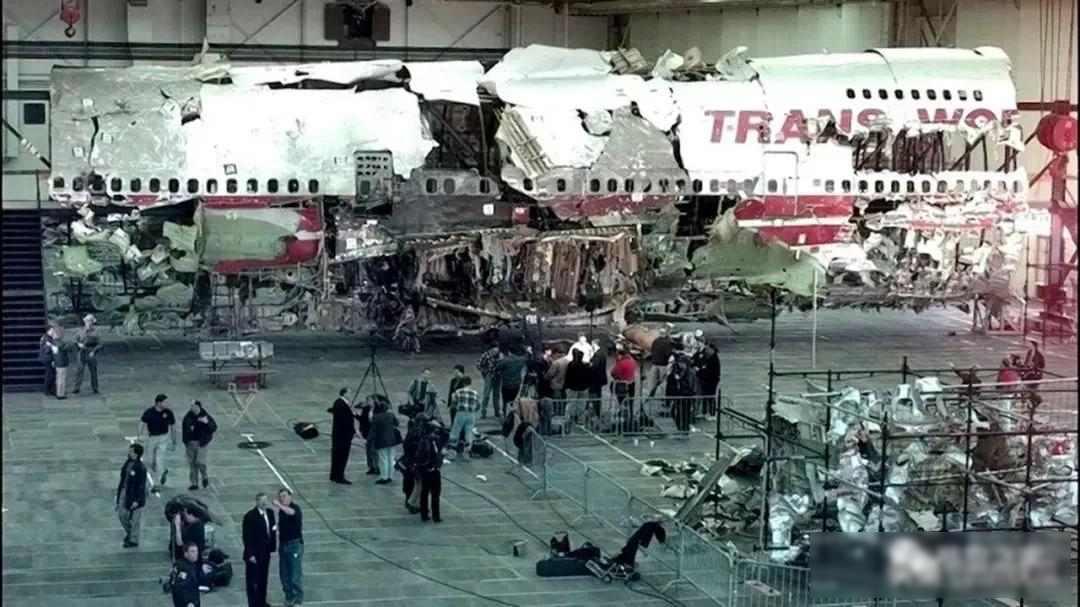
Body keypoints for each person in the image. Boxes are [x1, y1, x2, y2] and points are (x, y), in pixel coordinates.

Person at [242, 493, 277, 607]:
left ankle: (262, 602)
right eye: (262, 500)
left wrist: (272, 547)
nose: (264, 503)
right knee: (253, 581)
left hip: (265, 552)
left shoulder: (270, 513)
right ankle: (253, 604)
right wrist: (250, 554)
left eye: (265, 500)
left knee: (263, 578)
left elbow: (272, 529)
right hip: (254, 554)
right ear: (257, 502)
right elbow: (247, 537)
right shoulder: (250, 516)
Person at [139, 393, 177, 493]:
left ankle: (157, 484)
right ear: (159, 403)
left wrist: (174, 441)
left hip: (163, 438)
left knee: (159, 459)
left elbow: (173, 426)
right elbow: (142, 422)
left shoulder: (168, 412)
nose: (167, 404)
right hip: (152, 438)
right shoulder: (149, 412)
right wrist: (139, 435)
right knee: (150, 461)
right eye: (165, 402)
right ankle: (163, 471)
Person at [274, 488, 304, 607]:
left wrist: (279, 505)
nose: (282, 499)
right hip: (283, 545)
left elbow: (291, 513)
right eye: (281, 497)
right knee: (284, 574)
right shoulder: (282, 512)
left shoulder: (295, 508)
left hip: (294, 546)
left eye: (284, 496)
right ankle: (289, 596)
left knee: (294, 574)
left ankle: (297, 599)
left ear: (290, 497)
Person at [116, 443, 148, 548]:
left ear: (136, 454)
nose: (129, 452)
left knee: (135, 520)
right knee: (122, 515)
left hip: (135, 495)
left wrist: (137, 500)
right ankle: (130, 533)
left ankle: (134, 539)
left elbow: (141, 486)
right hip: (125, 491)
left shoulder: (141, 468)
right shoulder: (127, 463)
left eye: (131, 451)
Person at [182, 400, 217, 491]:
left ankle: (204, 475)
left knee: (200, 462)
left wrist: (206, 422)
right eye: (191, 406)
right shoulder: (188, 416)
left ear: (198, 407)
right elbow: (185, 428)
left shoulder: (205, 416)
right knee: (192, 464)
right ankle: (194, 483)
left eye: (193, 406)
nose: (192, 408)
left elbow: (213, 427)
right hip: (190, 443)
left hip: (201, 443)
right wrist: (186, 441)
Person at [416, 419, 444, 523]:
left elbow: (445, 434)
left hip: (434, 469)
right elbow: (421, 457)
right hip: (427, 470)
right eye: (434, 431)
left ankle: (435, 515)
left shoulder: (435, 441)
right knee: (426, 493)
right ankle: (426, 514)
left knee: (434, 494)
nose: (436, 434)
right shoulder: (425, 442)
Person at [328, 388, 356, 484]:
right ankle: (339, 476)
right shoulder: (341, 404)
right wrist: (352, 430)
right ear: (344, 393)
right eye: (349, 392)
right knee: (342, 456)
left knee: (336, 455)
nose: (350, 394)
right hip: (342, 435)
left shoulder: (339, 402)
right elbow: (345, 420)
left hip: (339, 435)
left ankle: (334, 475)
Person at [370, 400, 401, 484]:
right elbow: (397, 423)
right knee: (391, 458)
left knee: (383, 459)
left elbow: (373, 430)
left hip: (381, 441)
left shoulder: (376, 417)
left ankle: (384, 477)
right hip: (392, 440)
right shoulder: (391, 415)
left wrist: (370, 440)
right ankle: (390, 476)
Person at [400, 414, 427, 513]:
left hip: (409, 461)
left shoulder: (411, 431)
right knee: (419, 483)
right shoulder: (421, 434)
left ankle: (412, 502)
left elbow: (406, 446)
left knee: (411, 482)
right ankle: (413, 503)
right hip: (416, 462)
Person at [170, 542, 210, 607]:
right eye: (192, 551)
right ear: (186, 554)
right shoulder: (184, 568)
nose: (196, 553)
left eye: (196, 551)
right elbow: (180, 586)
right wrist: (189, 602)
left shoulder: (188, 564)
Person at [666, 350, 696, 435]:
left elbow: (689, 385)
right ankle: (681, 429)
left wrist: (679, 380)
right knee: (676, 413)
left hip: (686, 396)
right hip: (680, 395)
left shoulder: (690, 373)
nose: (679, 364)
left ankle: (684, 430)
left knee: (684, 414)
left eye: (681, 363)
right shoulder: (681, 371)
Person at [448, 376, 479, 455]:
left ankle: (452, 452)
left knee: (455, 432)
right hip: (471, 415)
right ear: (470, 383)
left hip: (461, 413)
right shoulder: (475, 393)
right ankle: (467, 452)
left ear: (463, 383)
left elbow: (453, 405)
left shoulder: (458, 392)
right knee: (468, 433)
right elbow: (478, 406)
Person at [73, 313, 101, 395]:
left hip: (91, 352)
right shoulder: (80, 331)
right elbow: (75, 340)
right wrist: (78, 344)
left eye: (90, 321)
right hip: (81, 352)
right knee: (79, 370)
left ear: (92, 322)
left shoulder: (96, 332)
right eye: (87, 321)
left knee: (93, 371)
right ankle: (76, 388)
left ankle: (95, 388)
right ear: (85, 322)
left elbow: (100, 344)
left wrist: (94, 351)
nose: (88, 323)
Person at [495, 348, 528, 415]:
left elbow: (497, 367)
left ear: (509, 352)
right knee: (513, 400)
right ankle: (513, 414)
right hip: (516, 384)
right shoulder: (521, 360)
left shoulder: (505, 360)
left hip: (506, 384)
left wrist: (500, 359)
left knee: (505, 400)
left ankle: (505, 414)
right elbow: (526, 358)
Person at [693, 342, 721, 417]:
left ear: (712, 349)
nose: (706, 350)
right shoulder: (709, 357)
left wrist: (700, 370)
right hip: (705, 380)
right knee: (705, 396)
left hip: (711, 381)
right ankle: (704, 412)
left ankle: (712, 414)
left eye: (708, 349)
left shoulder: (714, 358)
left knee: (710, 397)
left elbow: (710, 371)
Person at [564, 349, 591, 423]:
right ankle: (580, 420)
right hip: (583, 388)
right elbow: (588, 377)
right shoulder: (585, 366)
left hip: (572, 388)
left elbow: (567, 376)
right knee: (581, 405)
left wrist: (566, 386)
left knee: (570, 404)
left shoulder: (571, 365)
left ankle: (568, 419)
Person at [477, 343, 502, 419]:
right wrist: (485, 372)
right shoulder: (485, 355)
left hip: (498, 376)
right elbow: (478, 365)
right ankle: (483, 413)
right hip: (489, 376)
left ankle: (497, 412)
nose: (496, 352)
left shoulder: (500, 355)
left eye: (497, 350)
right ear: (490, 350)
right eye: (494, 350)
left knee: (496, 395)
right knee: (486, 395)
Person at [647, 329, 674, 397]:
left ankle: (651, 394)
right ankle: (662, 396)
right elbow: (668, 354)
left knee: (653, 381)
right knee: (663, 382)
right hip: (663, 365)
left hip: (654, 364)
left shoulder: (655, 341)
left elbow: (652, 350)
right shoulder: (667, 342)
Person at [588, 341, 608, 419]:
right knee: (598, 395)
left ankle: (596, 413)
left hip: (595, 379)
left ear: (595, 345)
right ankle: (597, 412)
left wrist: (589, 364)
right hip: (600, 379)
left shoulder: (597, 355)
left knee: (594, 396)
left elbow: (594, 367)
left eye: (592, 345)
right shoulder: (602, 353)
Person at [51, 328, 70, 399]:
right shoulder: (59, 342)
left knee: (59, 378)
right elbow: (65, 348)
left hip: (57, 361)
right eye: (61, 333)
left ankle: (59, 393)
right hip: (62, 362)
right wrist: (67, 345)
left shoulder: (53, 342)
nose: (63, 334)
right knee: (62, 378)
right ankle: (61, 394)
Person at [38, 326, 57, 396]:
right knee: (50, 375)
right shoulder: (47, 338)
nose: (53, 331)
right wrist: (52, 345)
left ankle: (49, 390)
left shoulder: (46, 337)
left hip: (46, 358)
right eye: (52, 330)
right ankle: (48, 390)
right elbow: (47, 350)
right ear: (48, 331)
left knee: (50, 374)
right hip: (47, 358)